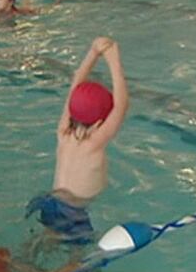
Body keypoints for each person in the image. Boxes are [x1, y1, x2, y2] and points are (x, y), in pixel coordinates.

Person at [25, 37, 129, 241]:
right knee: (83, 266)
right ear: (100, 123)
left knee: (45, 240)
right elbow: (122, 105)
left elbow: (75, 86)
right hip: (74, 212)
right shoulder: (94, 143)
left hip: (50, 201)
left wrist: (93, 52)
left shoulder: (63, 132)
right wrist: (113, 58)